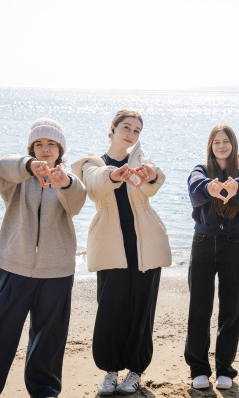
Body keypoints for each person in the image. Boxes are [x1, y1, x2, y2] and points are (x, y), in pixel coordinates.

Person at [0, 118, 87, 398]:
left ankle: (45, 392)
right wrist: (29, 167)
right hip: (14, 267)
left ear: (60, 150)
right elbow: (3, 165)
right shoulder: (16, 179)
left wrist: (64, 183)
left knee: (49, 340)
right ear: (31, 149)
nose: (45, 149)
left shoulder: (69, 181)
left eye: (51, 144)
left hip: (56, 272)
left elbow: (77, 201)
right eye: (38, 144)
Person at [71, 109, 171, 396]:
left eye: (137, 130)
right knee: (110, 309)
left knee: (142, 309)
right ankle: (110, 371)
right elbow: (93, 186)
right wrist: (114, 174)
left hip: (145, 245)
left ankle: (135, 372)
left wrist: (151, 175)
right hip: (110, 244)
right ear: (112, 128)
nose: (131, 134)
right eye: (126, 127)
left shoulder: (141, 160)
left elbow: (151, 186)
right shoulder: (94, 163)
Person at [185, 125, 239, 390]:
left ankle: (224, 368)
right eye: (216, 142)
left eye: (226, 141)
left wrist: (236, 185)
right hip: (202, 242)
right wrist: (210, 187)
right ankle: (199, 369)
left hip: (233, 243)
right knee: (199, 307)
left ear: (233, 144)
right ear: (210, 146)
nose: (222, 146)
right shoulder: (201, 169)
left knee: (232, 308)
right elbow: (195, 186)